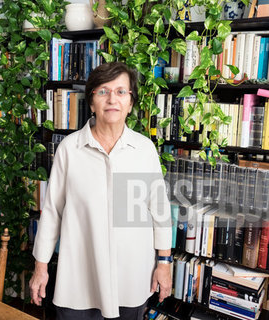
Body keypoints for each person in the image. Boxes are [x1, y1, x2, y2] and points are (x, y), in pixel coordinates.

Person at [29, 62, 172, 320]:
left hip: (131, 277)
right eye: (103, 91)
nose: (112, 99)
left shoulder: (144, 149)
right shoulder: (69, 149)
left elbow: (159, 211)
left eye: (121, 92)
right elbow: (52, 212)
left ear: (130, 103)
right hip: (79, 279)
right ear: (92, 102)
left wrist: (164, 263)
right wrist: (40, 268)